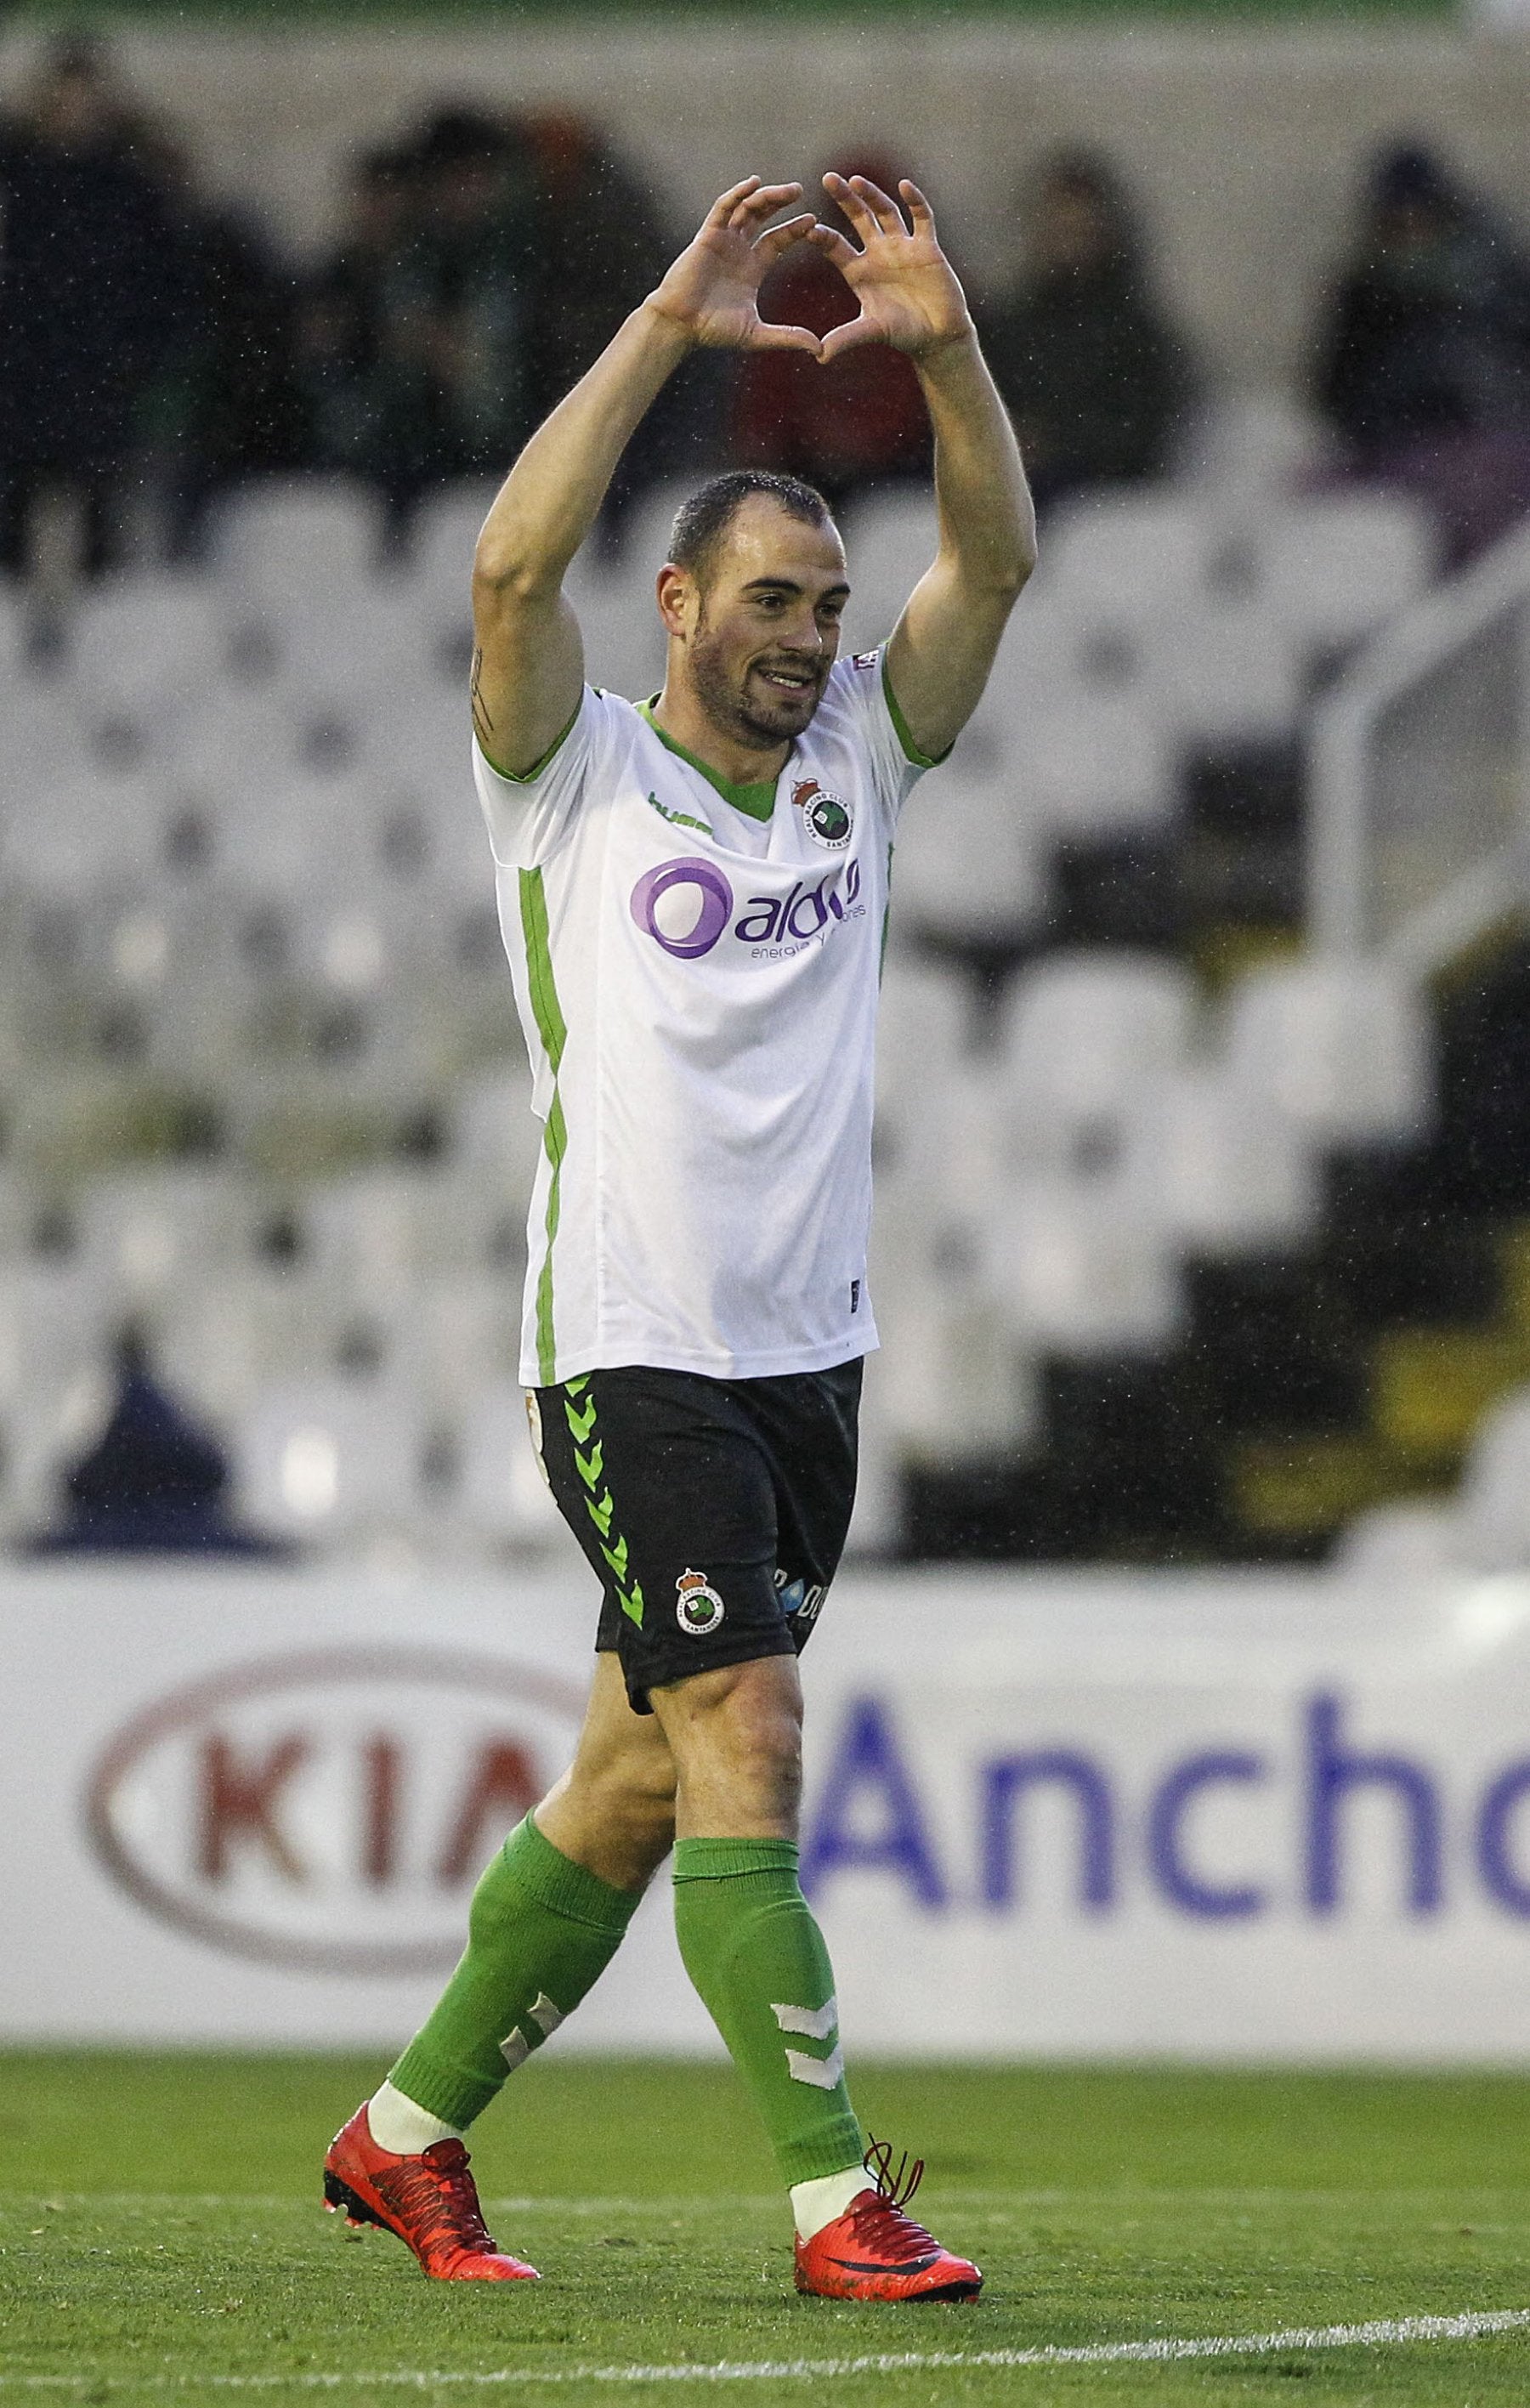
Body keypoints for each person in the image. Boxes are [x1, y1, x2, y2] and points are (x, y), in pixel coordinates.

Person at [323, 171, 1034, 2301]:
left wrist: (940, 348)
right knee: (747, 1723)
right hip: (630, 1337)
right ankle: (840, 2200)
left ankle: (403, 2135)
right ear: (676, 603)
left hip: (804, 1350)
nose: (812, 639)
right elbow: (504, 557)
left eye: (828, 606)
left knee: (635, 1784)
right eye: (774, 603)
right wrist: (667, 318)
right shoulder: (572, 780)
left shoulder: (864, 775)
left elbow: (994, 557)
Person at [1315, 140, 1530, 564]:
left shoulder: (1499, 283)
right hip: (1395, 455)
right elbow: (1336, 392)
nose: (1411, 234)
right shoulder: (1367, 293)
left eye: (1420, 219)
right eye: (1398, 224)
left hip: (1495, 449)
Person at [982, 150, 1192, 518]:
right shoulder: (1011, 326)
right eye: (1056, 227)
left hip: (1096, 495)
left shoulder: (1134, 333)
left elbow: (1140, 431)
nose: (1065, 242)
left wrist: (1055, 441)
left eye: (1077, 229)